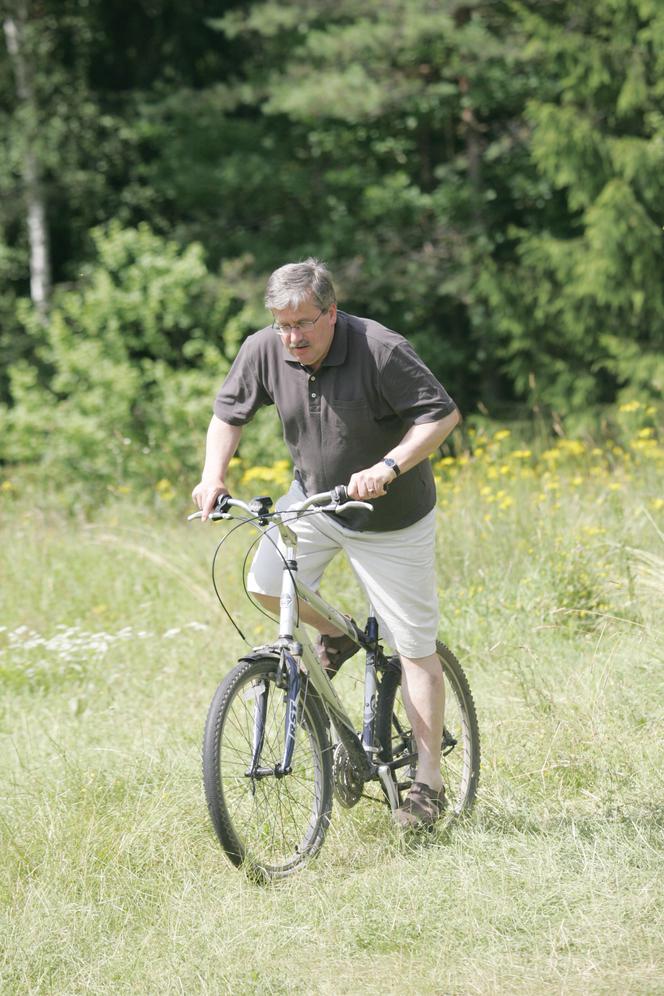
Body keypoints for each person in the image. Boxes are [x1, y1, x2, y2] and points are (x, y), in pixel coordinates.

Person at [192, 259, 460, 829]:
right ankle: (335, 633)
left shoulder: (380, 348)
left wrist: (389, 465)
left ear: (331, 312)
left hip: (391, 518)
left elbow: (440, 415)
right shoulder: (265, 347)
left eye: (303, 325)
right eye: (282, 325)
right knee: (263, 582)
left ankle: (429, 781)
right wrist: (214, 474)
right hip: (316, 501)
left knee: (413, 648)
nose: (292, 338)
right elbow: (227, 414)